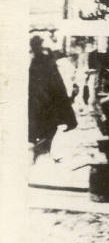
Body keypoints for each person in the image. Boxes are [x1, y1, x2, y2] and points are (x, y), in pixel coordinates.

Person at [28, 34, 77, 162]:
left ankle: (41, 153)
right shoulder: (42, 61)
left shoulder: (41, 60)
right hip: (42, 101)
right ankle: (41, 153)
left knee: (45, 128)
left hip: (43, 101)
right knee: (46, 128)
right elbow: (56, 84)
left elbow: (57, 83)